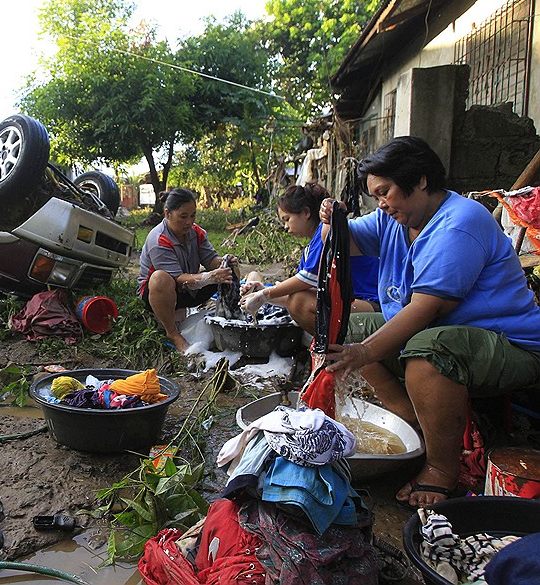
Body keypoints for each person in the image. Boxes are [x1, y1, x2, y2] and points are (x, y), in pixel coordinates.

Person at [321, 136, 540, 508]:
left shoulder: (460, 222)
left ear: (420, 179)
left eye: (386, 192)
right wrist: (333, 219)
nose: (382, 203)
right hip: (442, 336)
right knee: (347, 332)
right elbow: (344, 241)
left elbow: (427, 308)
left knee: (428, 350)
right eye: (375, 196)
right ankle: (412, 419)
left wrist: (365, 353)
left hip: (507, 344)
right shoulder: (395, 219)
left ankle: (441, 468)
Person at [239, 183, 380, 335]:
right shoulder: (309, 249)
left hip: (370, 302)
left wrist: (265, 294)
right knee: (297, 299)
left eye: (287, 219)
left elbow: (305, 282)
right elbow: (294, 293)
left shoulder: (325, 232)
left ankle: (335, 348)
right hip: (353, 302)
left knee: (299, 302)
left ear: (306, 212)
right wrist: (263, 292)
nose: (286, 226)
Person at [138, 188, 239, 353]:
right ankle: (172, 333)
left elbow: (210, 260)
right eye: (183, 217)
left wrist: (224, 263)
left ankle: (233, 315)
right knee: (160, 278)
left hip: (188, 289)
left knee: (229, 267)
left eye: (193, 216)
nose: (189, 222)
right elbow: (178, 279)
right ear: (167, 214)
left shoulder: (196, 232)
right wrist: (209, 277)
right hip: (161, 291)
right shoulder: (159, 239)